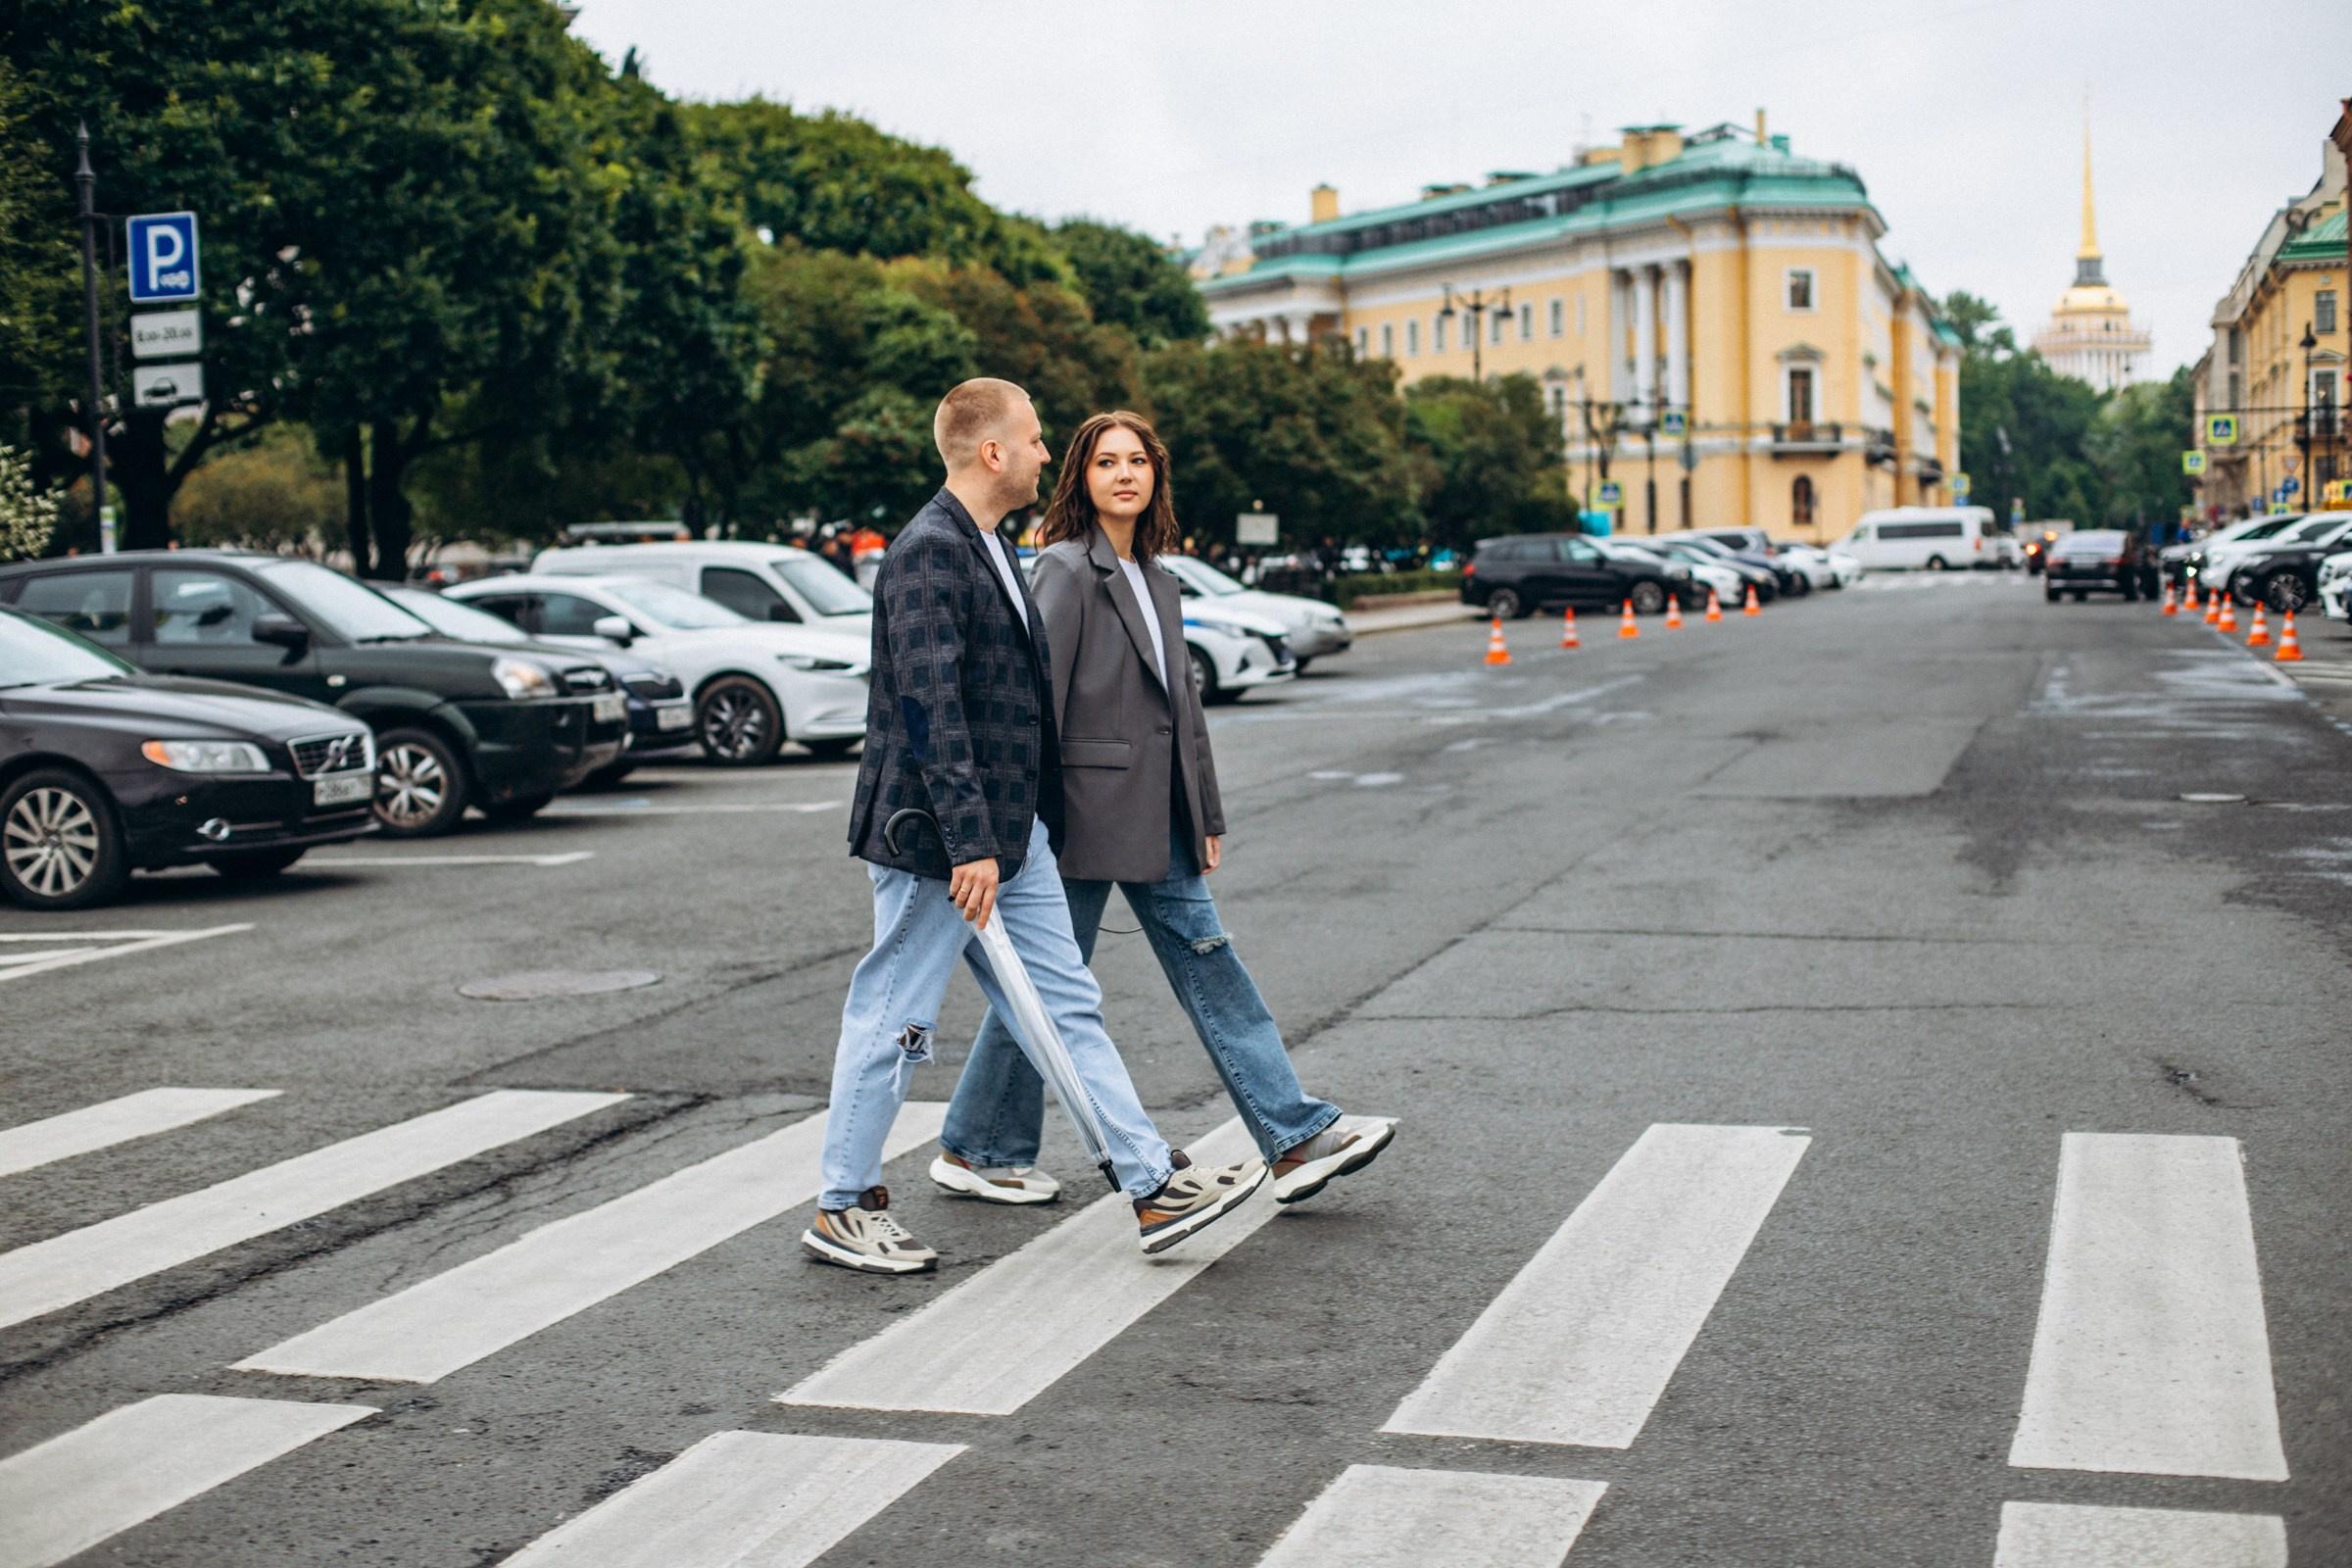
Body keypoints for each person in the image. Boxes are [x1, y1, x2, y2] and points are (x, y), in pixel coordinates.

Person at [803, 379, 1268, 1276]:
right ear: (991, 453)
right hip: (938, 840)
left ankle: (1149, 1185)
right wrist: (971, 841)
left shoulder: (993, 547)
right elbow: (932, 708)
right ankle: (842, 1206)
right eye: (1036, 440)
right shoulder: (927, 552)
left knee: (1067, 1006)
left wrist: (1018, 833)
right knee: (896, 1017)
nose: (1046, 455)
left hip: (1010, 839)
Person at [930, 411, 1396, 1213]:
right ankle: (983, 1148)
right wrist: (1026, 829)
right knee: (1054, 987)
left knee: (1182, 967)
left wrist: (1204, 811)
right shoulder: (1067, 571)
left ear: (1156, 476)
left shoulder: (1158, 577)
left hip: (1158, 816)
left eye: (1137, 461)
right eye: (1106, 461)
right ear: (1080, 475)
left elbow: (1183, 710)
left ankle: (1287, 1138)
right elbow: (1033, 708)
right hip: (1077, 822)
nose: (1124, 474)